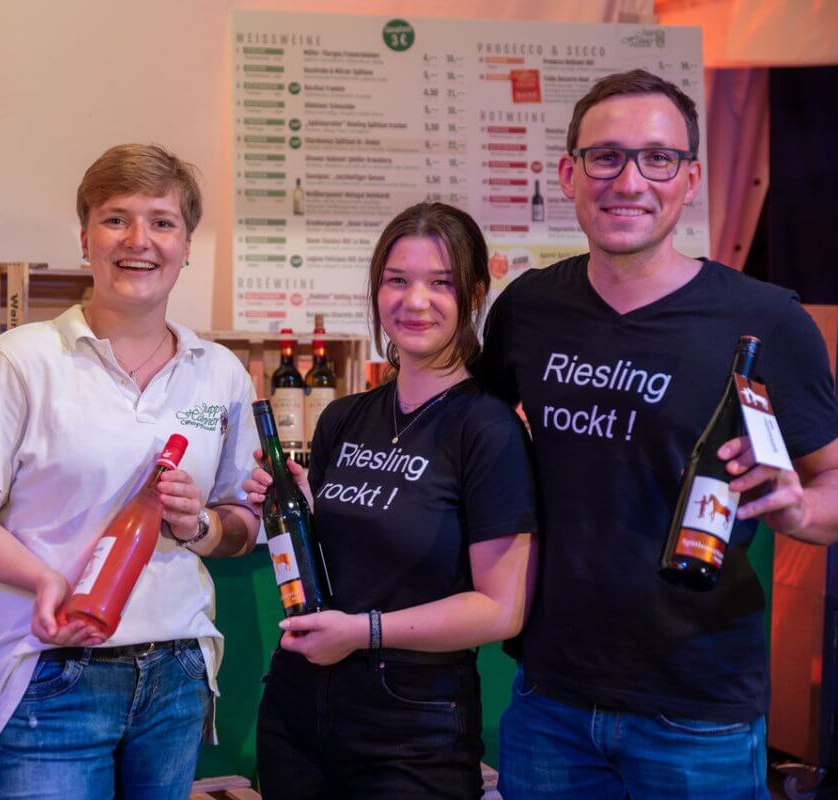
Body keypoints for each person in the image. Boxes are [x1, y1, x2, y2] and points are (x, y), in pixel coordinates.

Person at [479, 69, 838, 799]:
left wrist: (801, 511)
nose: (629, 179)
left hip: (698, 711)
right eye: (605, 156)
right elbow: (467, 444)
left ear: (691, 178)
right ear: (569, 174)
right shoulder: (528, 309)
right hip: (549, 698)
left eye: (658, 157)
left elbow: (834, 481)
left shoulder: (768, 321)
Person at [0, 143, 260, 800]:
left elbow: (242, 524)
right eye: (117, 219)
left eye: (162, 221)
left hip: (176, 672)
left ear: (186, 243)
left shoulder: (219, 372)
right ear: (85, 237)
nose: (138, 240)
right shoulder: (21, 359)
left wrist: (197, 524)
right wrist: (47, 581)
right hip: (53, 669)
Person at [245, 201, 538, 799]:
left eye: (441, 283)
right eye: (397, 280)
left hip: (412, 727)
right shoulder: (345, 417)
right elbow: (340, 563)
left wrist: (364, 632)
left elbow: (501, 609)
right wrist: (299, 512)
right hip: (298, 709)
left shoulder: (487, 429)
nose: (415, 300)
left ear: (475, 292)